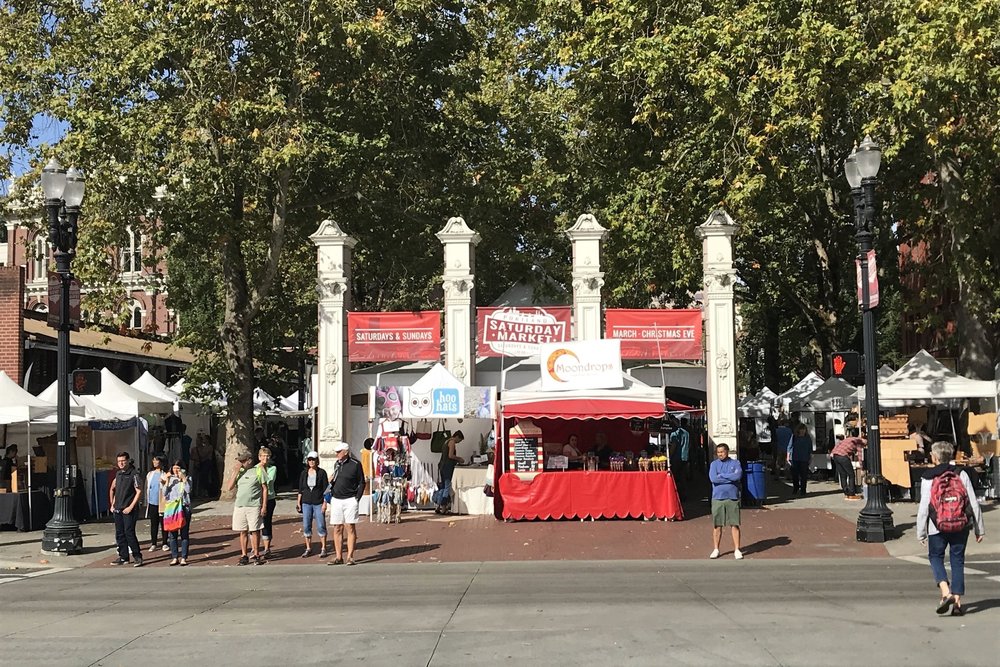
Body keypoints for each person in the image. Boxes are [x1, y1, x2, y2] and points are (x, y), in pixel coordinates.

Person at [916, 441, 986, 616]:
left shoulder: (928, 476)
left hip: (937, 525)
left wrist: (921, 532)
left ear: (935, 457)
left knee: (935, 557)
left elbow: (924, 506)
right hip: (960, 524)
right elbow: (973, 502)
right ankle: (957, 604)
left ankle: (946, 592)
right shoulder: (961, 473)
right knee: (957, 561)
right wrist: (979, 528)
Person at [326, 441, 366, 566]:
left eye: (339, 452)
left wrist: (357, 498)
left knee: (350, 527)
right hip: (337, 499)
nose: (337, 454)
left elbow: (362, 482)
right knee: (337, 527)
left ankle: (350, 556)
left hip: (350, 499)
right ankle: (338, 556)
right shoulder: (337, 464)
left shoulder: (355, 464)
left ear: (346, 452)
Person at [227, 451, 268, 566]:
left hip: (253, 505)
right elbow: (229, 487)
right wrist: (235, 472)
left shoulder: (258, 470)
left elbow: (264, 488)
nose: (241, 463)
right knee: (242, 530)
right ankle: (244, 554)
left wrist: (264, 505)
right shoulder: (239, 472)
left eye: (243, 461)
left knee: (254, 530)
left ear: (249, 460)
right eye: (240, 461)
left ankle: (256, 554)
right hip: (240, 505)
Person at [708, 443, 743, 560]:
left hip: (732, 497)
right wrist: (729, 478)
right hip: (717, 497)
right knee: (717, 525)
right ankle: (716, 549)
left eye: (722, 452)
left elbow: (737, 476)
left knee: (734, 524)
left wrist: (722, 476)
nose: (720, 454)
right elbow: (713, 478)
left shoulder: (735, 463)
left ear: (727, 452)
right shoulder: (714, 464)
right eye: (718, 452)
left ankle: (737, 549)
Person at [109, 452, 144, 567]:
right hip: (118, 508)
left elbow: (139, 491)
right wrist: (112, 504)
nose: (121, 463)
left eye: (123, 461)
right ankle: (123, 556)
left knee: (129, 532)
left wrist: (131, 506)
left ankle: (137, 556)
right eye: (119, 461)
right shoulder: (118, 474)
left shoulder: (134, 474)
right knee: (119, 533)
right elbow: (113, 489)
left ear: (128, 461)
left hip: (129, 509)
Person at [297, 451, 329, 558]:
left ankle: (323, 548)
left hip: (318, 502)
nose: (311, 462)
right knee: (306, 525)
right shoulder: (304, 473)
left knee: (321, 525)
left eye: (313, 459)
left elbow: (326, 489)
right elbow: (301, 489)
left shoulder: (322, 473)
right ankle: (308, 548)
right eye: (309, 459)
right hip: (306, 502)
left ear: (317, 460)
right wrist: (299, 502)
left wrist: (325, 503)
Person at [161, 460, 192, 566]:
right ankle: (174, 557)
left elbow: (188, 490)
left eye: (178, 468)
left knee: (184, 533)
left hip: (184, 508)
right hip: (172, 509)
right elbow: (164, 493)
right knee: (172, 534)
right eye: (174, 468)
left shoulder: (187, 478)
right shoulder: (170, 479)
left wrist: (183, 479)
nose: (176, 470)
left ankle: (184, 557)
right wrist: (167, 480)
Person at [256, 445, 278, 557]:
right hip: (256, 499)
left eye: (268, 456)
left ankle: (267, 548)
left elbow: (268, 481)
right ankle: (255, 548)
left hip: (269, 498)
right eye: (263, 456)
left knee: (266, 522)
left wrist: (261, 469)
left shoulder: (272, 468)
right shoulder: (255, 468)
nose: (266, 458)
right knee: (254, 524)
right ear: (259, 457)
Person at [436, 430, 465, 514]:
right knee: (447, 487)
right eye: (460, 440)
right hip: (447, 467)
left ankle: (438, 505)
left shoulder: (446, 441)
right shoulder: (452, 442)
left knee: (443, 486)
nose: (459, 442)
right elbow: (450, 455)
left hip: (442, 466)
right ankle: (444, 508)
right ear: (457, 437)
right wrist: (459, 459)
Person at [830, 428, 865, 499]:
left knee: (843, 474)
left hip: (836, 456)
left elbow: (838, 444)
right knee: (851, 474)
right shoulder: (858, 441)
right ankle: (852, 492)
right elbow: (860, 456)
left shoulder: (847, 439)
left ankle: (845, 491)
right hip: (843, 456)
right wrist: (862, 468)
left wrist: (832, 452)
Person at [145, 455, 167, 552]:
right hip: (152, 502)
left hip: (162, 502)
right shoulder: (150, 474)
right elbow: (147, 487)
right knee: (154, 523)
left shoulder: (165, 474)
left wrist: (163, 482)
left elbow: (167, 488)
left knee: (163, 523)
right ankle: (153, 543)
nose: (155, 462)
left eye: (157, 461)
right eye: (153, 461)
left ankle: (165, 542)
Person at [787, 424, 813, 496]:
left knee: (804, 475)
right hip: (795, 458)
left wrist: (811, 458)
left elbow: (810, 448)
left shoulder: (808, 438)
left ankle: (803, 490)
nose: (802, 431)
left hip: (804, 458)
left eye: (804, 429)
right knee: (795, 475)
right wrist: (788, 457)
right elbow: (789, 446)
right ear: (798, 430)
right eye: (801, 429)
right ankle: (795, 488)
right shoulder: (794, 437)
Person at [190, 432, 215, 498]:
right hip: (196, 465)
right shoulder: (194, 449)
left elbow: (204, 455)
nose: (197, 442)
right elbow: (192, 457)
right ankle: (195, 493)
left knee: (204, 479)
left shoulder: (208, 447)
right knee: (195, 479)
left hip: (204, 465)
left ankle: (204, 492)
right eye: (196, 441)